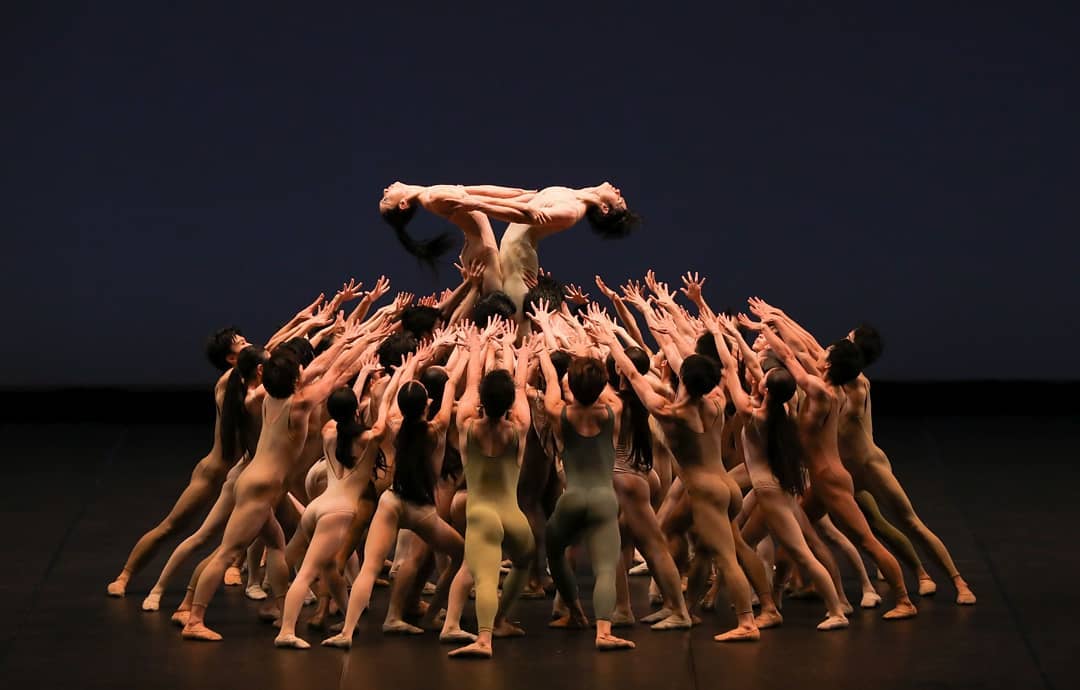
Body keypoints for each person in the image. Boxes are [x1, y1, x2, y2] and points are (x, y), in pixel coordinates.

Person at [181, 321, 371, 641]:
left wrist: (347, 340)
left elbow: (320, 368)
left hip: (256, 482)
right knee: (227, 552)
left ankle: (282, 612)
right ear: (295, 379)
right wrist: (360, 343)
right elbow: (335, 373)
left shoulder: (264, 396)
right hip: (260, 487)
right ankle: (194, 619)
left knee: (276, 544)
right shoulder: (300, 404)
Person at [593, 320, 760, 643]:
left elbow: (633, 376)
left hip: (706, 492)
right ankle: (682, 607)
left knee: (726, 556)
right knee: (673, 535)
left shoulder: (670, 412)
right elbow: (721, 365)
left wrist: (610, 342)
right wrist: (667, 331)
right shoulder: (716, 399)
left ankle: (747, 622)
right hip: (725, 485)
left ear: (683, 378)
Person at [747, 315, 918, 620]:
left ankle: (904, 599)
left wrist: (764, 329)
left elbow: (790, 355)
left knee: (866, 540)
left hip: (830, 480)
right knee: (794, 537)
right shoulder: (831, 388)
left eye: (826, 353)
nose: (820, 351)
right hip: (822, 479)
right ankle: (777, 596)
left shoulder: (820, 391)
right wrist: (778, 320)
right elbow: (802, 349)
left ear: (828, 365)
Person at [707, 314, 849, 630]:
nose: (759, 375)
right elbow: (749, 365)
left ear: (767, 389)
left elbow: (729, 367)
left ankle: (836, 610)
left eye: (765, 377)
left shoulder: (753, 414)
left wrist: (719, 333)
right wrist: (737, 336)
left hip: (769, 493)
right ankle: (766, 603)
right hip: (773, 488)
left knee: (801, 552)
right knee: (744, 543)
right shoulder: (781, 409)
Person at [320, 346, 469, 649]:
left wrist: (405, 369)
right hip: (421, 509)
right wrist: (469, 349)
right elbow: (452, 383)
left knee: (370, 567)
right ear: (427, 404)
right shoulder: (437, 428)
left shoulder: (394, 424)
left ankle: (347, 631)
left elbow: (390, 401)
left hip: (391, 501)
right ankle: (434, 615)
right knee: (462, 555)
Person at [140, 345, 268, 611]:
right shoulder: (253, 396)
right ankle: (172, 596)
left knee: (272, 540)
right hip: (244, 477)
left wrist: (308, 326)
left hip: (250, 475)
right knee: (209, 540)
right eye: (241, 342)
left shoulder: (242, 392)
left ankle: (266, 591)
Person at [274, 352, 386, 648]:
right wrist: (393, 379)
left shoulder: (328, 431)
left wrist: (363, 375)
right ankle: (286, 631)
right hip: (337, 513)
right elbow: (381, 417)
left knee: (327, 569)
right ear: (355, 410)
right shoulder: (367, 439)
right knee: (307, 573)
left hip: (317, 507)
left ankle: (348, 616)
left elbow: (345, 411)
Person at [445, 324, 536, 659]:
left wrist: (476, 347)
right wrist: (518, 353)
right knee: (523, 562)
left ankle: (485, 638)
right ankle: (501, 620)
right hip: (513, 516)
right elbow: (521, 388)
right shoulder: (519, 429)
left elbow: (470, 385)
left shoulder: (466, 426)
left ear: (483, 400)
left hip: (481, 514)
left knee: (484, 577)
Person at [380, 182, 531, 290]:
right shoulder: (433, 198)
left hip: (479, 248)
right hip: (481, 254)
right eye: (386, 199)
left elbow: (483, 192)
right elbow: (484, 204)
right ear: (403, 204)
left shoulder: (431, 192)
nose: (385, 190)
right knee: (497, 311)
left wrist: (521, 193)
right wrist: (526, 206)